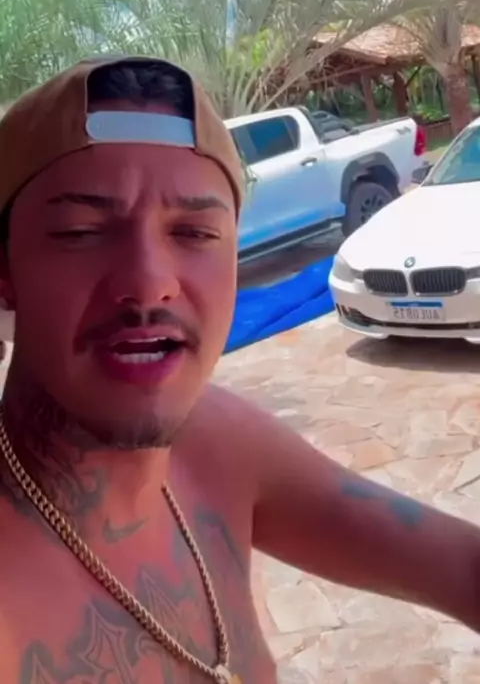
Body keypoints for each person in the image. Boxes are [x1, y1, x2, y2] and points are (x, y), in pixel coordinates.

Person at [0, 55, 478, 684]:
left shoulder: (215, 443)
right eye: (82, 230)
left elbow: (463, 567)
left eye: (195, 233)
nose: (149, 282)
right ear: (4, 270)